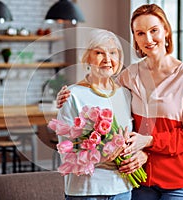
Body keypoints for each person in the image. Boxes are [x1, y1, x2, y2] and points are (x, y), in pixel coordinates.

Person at [57, 4, 183, 200]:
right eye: (140, 33)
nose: (148, 39)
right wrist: (70, 93)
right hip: (140, 180)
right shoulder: (130, 75)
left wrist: (149, 143)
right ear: (135, 37)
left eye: (154, 31)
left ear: (166, 31)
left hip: (178, 179)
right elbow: (100, 86)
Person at [56, 28, 148, 200]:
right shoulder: (72, 96)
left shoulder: (126, 94)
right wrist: (100, 158)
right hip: (87, 190)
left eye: (113, 53)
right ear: (87, 58)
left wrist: (137, 154)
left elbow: (133, 138)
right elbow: (66, 153)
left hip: (122, 188)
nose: (107, 59)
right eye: (99, 53)